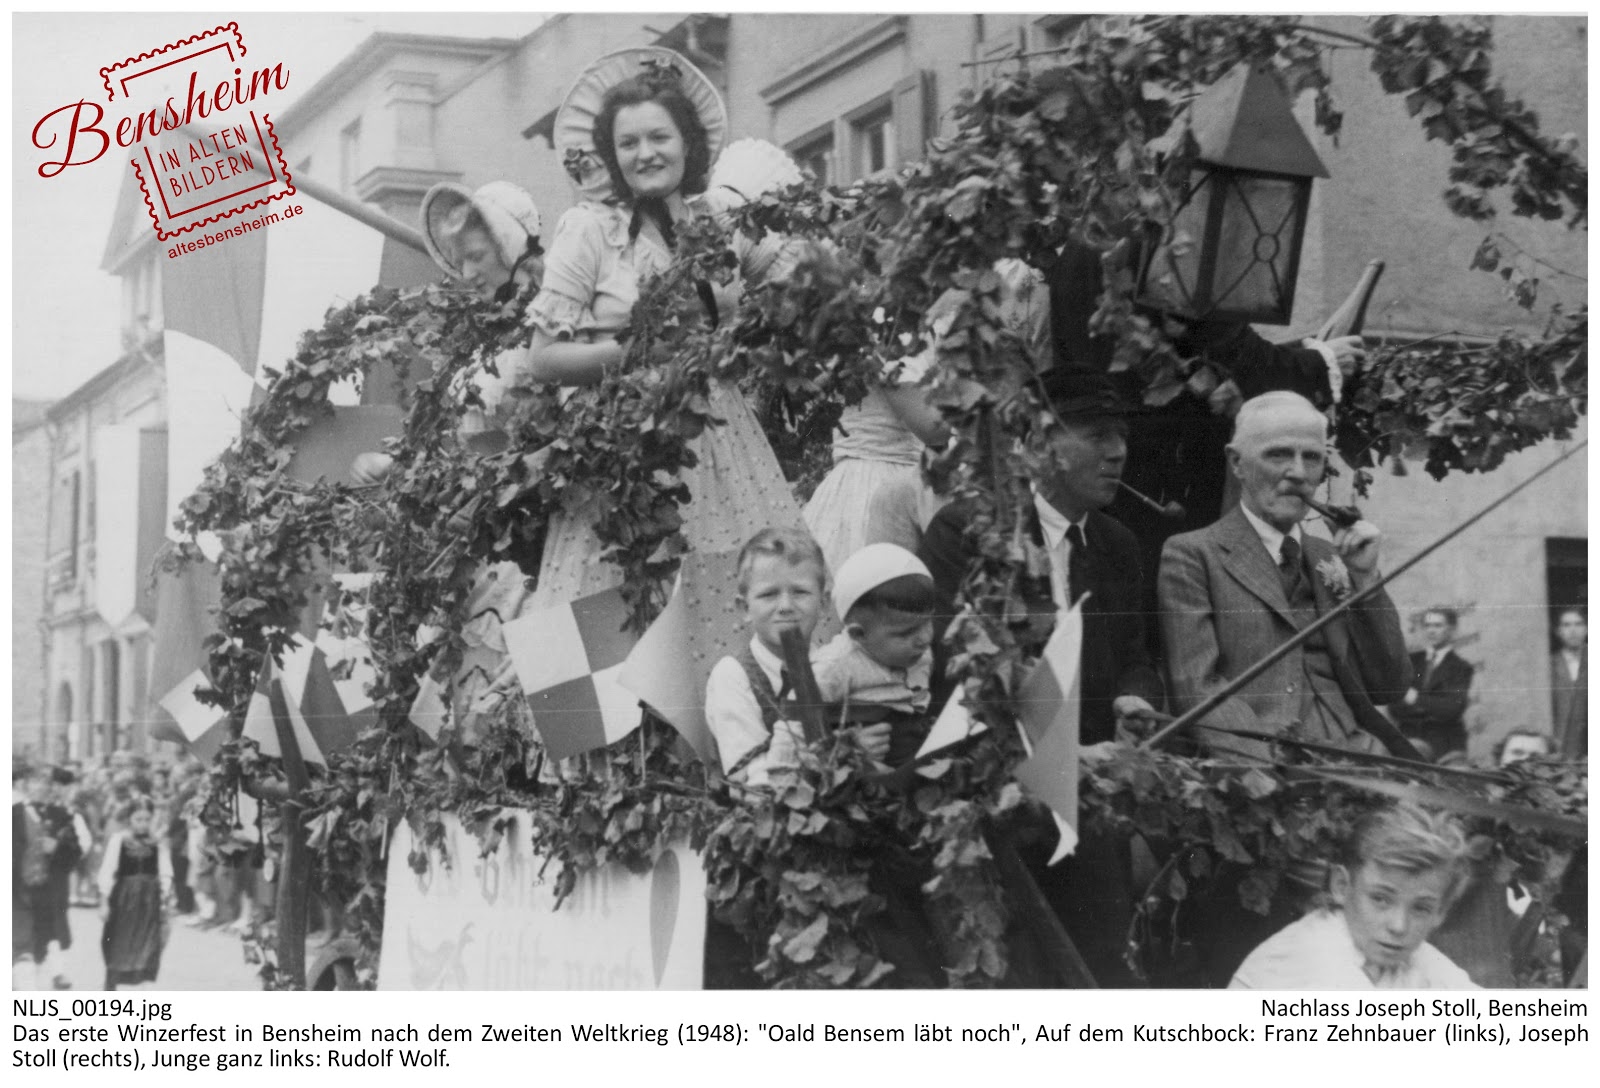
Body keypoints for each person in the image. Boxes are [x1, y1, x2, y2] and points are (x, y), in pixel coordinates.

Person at [514, 49, 811, 707]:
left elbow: (789, 284)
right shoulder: (590, 230)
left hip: (720, 439)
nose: (645, 153)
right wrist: (641, 350)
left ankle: (729, 747)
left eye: (658, 137)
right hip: (624, 443)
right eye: (628, 143)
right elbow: (543, 355)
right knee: (617, 610)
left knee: (727, 599)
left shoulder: (718, 224)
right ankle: (611, 779)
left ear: (688, 143)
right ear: (610, 154)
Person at [1158, 391, 1414, 761]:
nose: (1297, 473)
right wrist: (1273, 768)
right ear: (1237, 463)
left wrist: (1365, 579)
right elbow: (1198, 691)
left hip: (1359, 758)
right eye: (1278, 454)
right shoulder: (1194, 555)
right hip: (1258, 770)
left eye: (1311, 457)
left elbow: (1390, 686)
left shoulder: (1333, 557)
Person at [918, 369, 1162, 746]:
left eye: (1122, 435)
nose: (1118, 451)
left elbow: (1135, 660)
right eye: (1097, 435)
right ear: (1037, 445)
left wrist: (1135, 698)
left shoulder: (1118, 544)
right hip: (1001, 763)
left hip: (1104, 764)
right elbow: (953, 668)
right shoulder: (968, 531)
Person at [1229, 802, 1477, 990]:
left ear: (1441, 912)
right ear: (1341, 886)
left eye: (1421, 909)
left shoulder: (1413, 957)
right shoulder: (1310, 957)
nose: (1398, 926)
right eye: (1380, 899)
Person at [704, 528, 830, 786]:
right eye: (769, 594)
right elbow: (755, 781)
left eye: (800, 592)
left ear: (824, 603)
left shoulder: (833, 665)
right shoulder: (733, 676)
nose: (785, 606)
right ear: (744, 607)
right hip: (767, 813)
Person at [813, 543, 938, 766]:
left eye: (928, 621)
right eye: (907, 632)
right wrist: (843, 750)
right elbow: (795, 727)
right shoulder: (835, 667)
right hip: (868, 768)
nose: (925, 638)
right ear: (859, 634)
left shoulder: (918, 651)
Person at [98, 797, 172, 990]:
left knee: (147, 941)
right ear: (129, 819)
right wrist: (104, 901)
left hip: (149, 900)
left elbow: (165, 872)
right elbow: (107, 870)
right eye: (138, 819)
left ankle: (142, 981)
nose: (143, 824)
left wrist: (165, 898)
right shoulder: (119, 840)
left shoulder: (157, 843)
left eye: (147, 819)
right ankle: (113, 983)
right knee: (119, 939)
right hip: (124, 898)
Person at [1391, 607, 1475, 759]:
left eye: (1437, 626)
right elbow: (1395, 707)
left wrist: (1415, 698)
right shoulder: (1410, 662)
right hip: (1409, 741)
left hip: (1445, 745)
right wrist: (1434, 705)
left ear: (1452, 629)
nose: (1431, 631)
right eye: (1427, 626)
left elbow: (1451, 709)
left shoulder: (1461, 668)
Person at [1550, 607, 1586, 758]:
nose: (1573, 630)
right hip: (1562, 746)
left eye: (1578, 624)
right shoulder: (1549, 664)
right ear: (1558, 631)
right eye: (1566, 625)